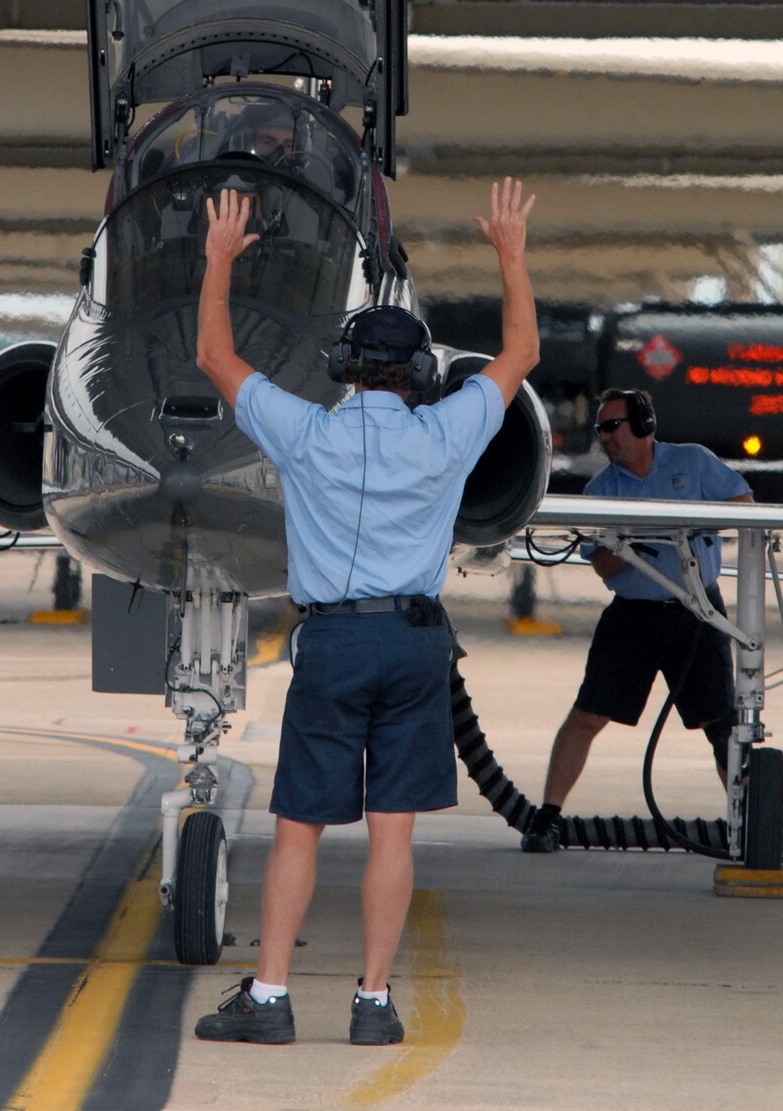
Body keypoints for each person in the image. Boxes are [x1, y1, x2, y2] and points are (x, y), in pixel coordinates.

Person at [192, 176, 538, 1045]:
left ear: (345, 365)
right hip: (417, 643)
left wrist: (219, 260)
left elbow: (213, 358)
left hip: (335, 644)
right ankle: (373, 1004)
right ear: (419, 371)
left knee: (301, 826)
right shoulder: (449, 430)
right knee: (393, 832)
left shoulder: (306, 430)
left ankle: (269, 999)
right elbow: (521, 354)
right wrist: (509, 254)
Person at [520, 388, 753, 853]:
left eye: (612, 426)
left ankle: (753, 820)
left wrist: (695, 521)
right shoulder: (601, 492)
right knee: (587, 716)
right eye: (599, 429)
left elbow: (744, 505)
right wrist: (622, 539)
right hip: (634, 617)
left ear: (643, 426)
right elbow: (603, 568)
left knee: (722, 725)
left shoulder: (694, 462)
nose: (605, 438)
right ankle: (547, 817)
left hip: (697, 614)